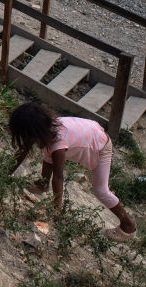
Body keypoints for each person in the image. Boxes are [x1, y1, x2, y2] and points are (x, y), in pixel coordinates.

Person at [9, 102, 137, 242]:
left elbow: (58, 176)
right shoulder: (47, 129)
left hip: (100, 147)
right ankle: (42, 185)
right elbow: (23, 150)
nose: (27, 140)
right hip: (92, 132)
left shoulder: (58, 143)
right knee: (48, 153)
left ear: (34, 131)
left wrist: (56, 210)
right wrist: (5, 173)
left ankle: (128, 225)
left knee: (101, 191)